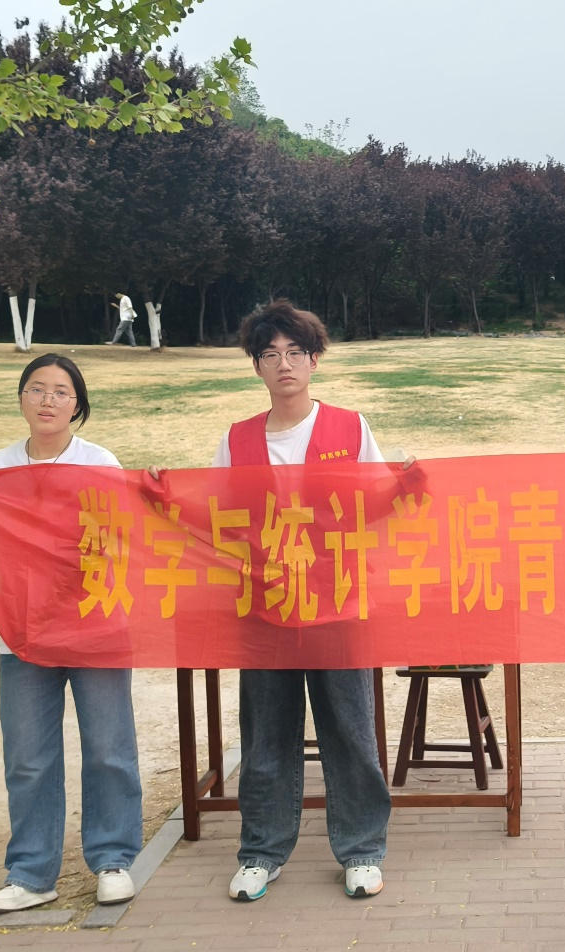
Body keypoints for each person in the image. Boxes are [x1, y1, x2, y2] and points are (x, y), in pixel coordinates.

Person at [0, 354, 143, 914]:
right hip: (24, 632)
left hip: (94, 627)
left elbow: (121, 537)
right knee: (28, 757)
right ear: (21, 398)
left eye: (61, 392)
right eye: (37, 389)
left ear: (77, 405)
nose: (48, 400)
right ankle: (32, 873)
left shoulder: (99, 461)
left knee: (108, 748)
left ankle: (113, 860)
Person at [215, 300, 393, 903]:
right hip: (265, 608)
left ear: (315, 361)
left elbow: (377, 501)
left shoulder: (350, 427)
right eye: (270, 354)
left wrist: (409, 484)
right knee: (266, 736)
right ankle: (260, 853)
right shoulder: (237, 439)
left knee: (350, 731)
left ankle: (362, 850)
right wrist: (163, 497)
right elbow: (217, 516)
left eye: (295, 352)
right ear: (256, 366)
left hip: (338, 604)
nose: (284, 364)